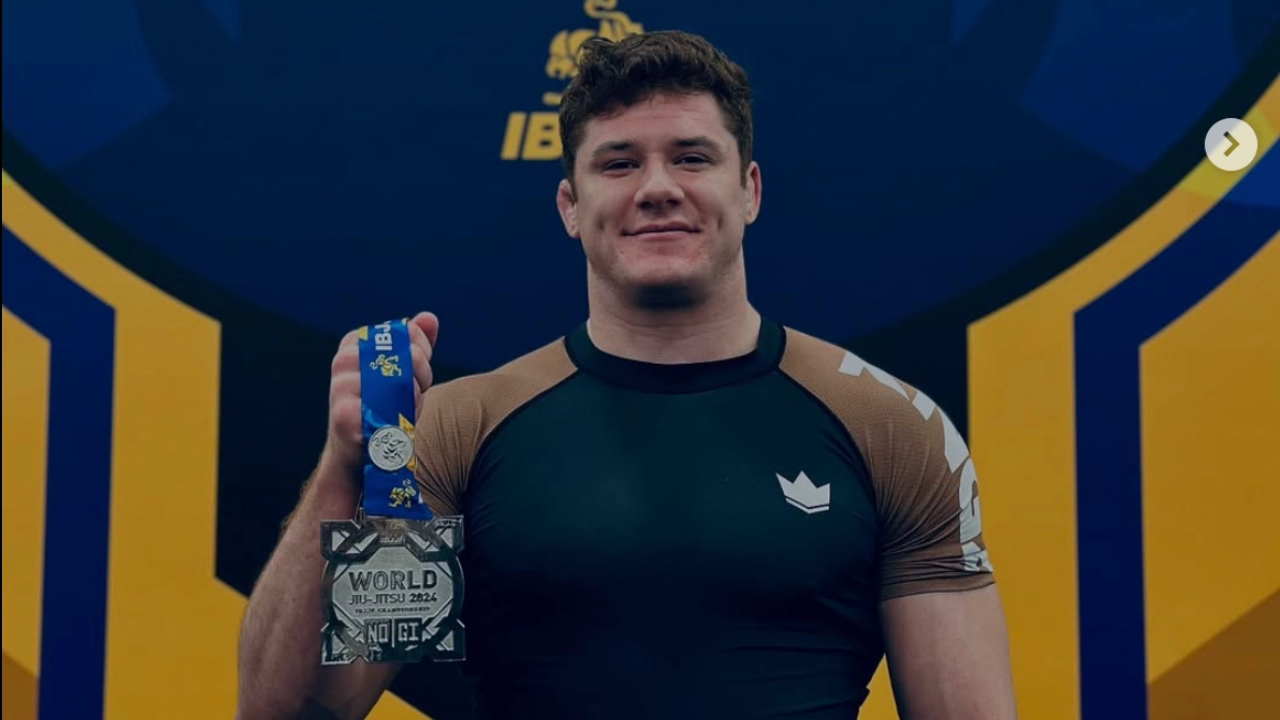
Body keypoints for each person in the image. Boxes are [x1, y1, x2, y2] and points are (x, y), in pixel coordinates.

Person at [235, 29, 1017, 720]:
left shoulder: (890, 427)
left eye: (691, 156)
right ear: (571, 206)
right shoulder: (452, 433)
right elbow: (293, 710)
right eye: (619, 163)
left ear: (748, 190)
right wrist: (347, 469)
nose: (657, 187)